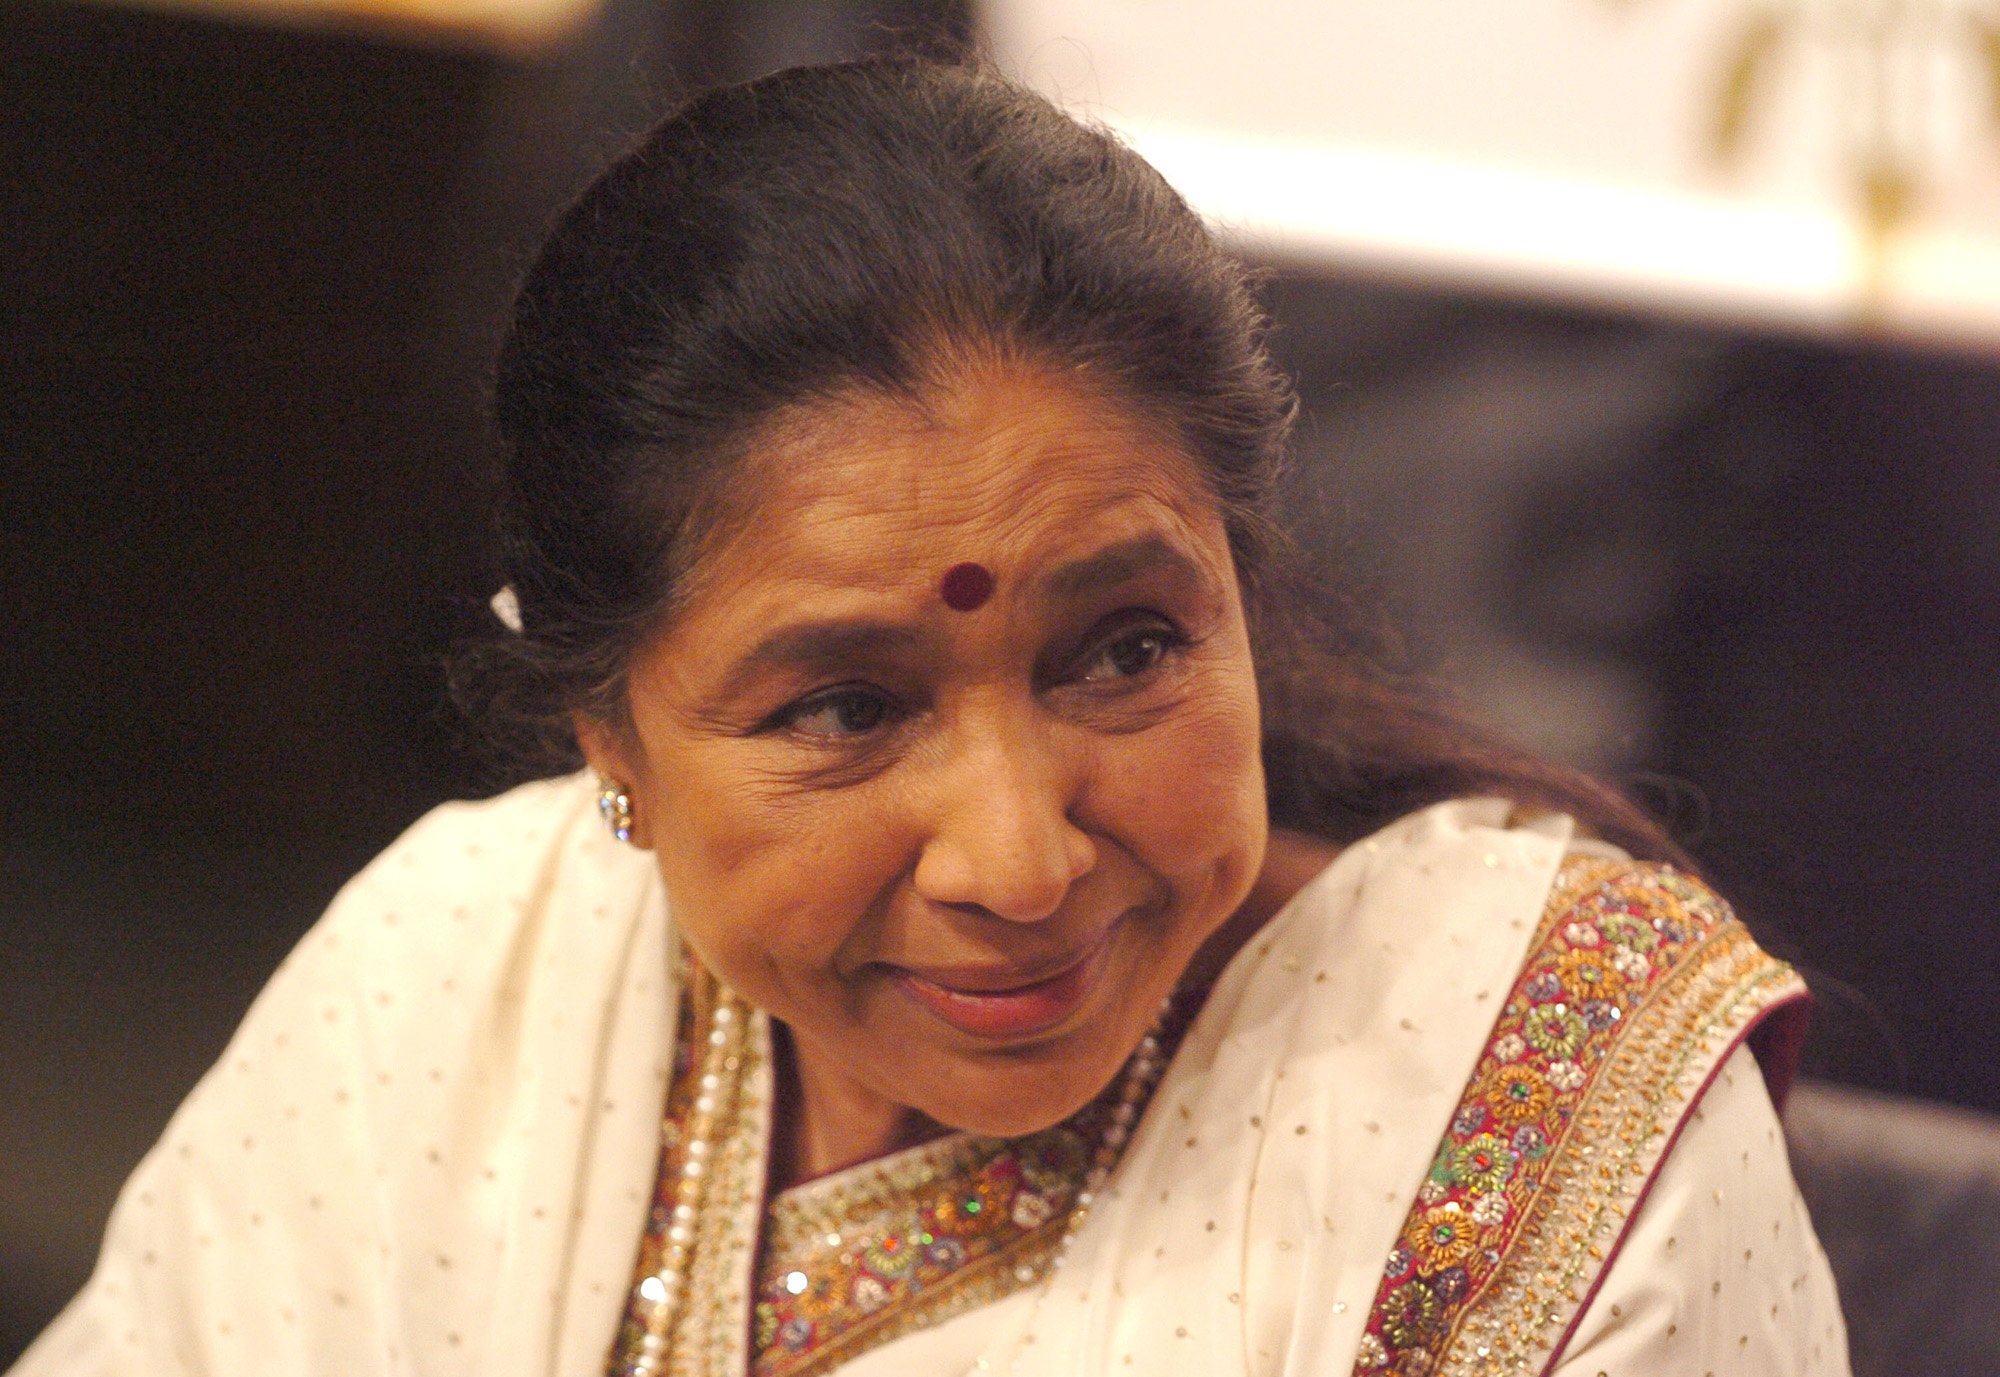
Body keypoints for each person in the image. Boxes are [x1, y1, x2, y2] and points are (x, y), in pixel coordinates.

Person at [12, 57, 1848, 1377]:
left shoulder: (1535, 1097)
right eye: (845, 706)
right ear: (610, 743)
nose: (1019, 858)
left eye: (1122, 652)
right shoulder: (453, 984)